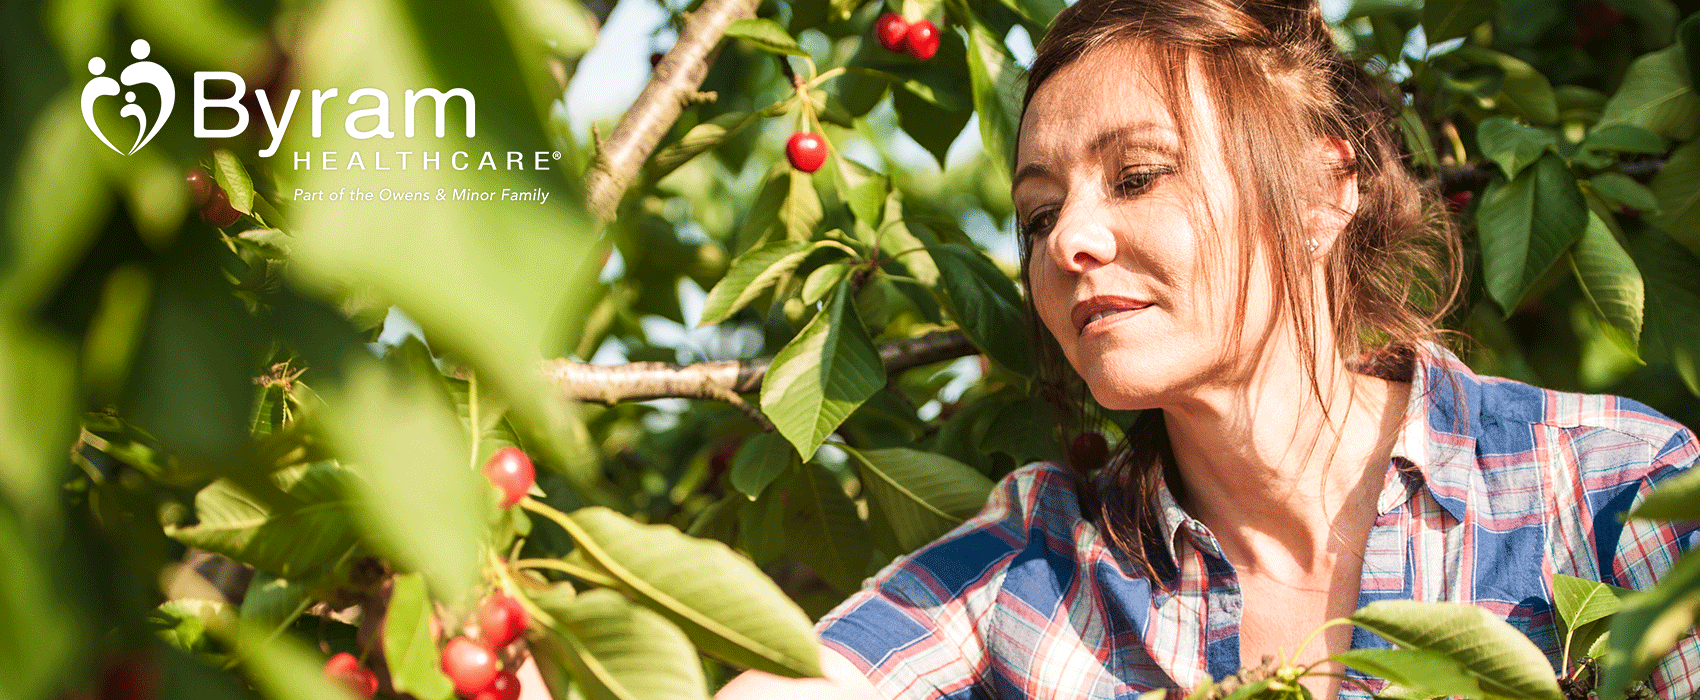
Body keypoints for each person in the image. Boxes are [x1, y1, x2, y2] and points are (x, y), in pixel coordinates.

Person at [717, 0, 1700, 697]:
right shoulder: (1039, 569)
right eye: (1036, 214)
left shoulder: (1606, 493)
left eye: (1136, 174)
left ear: (1322, 192)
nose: (1066, 243)